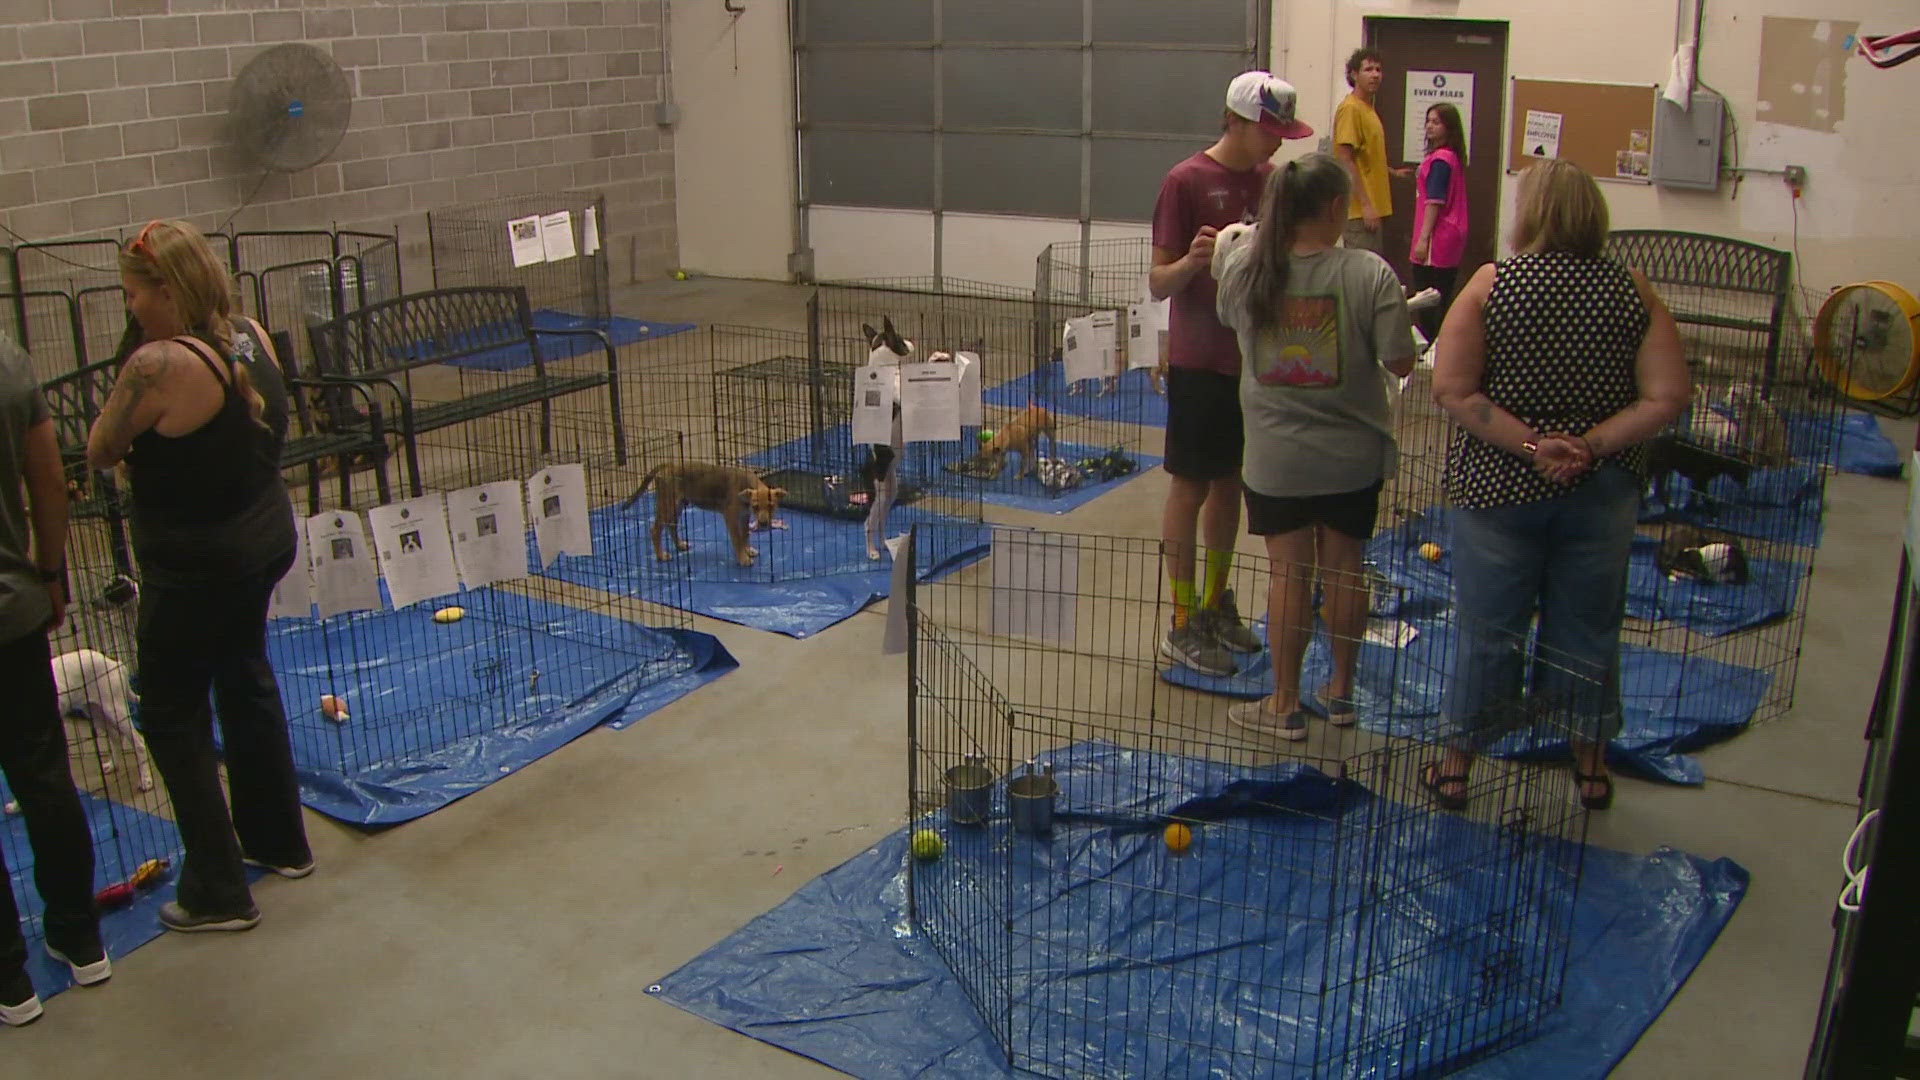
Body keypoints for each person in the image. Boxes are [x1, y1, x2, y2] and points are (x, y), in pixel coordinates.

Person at [1425, 160, 1690, 811]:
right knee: (1588, 629)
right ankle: (1592, 767)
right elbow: (1668, 394)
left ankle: (1457, 766)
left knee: (1489, 629)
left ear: (1531, 214)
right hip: (1600, 493)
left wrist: (1533, 445)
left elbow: (1453, 389)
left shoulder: (1491, 286)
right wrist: (1590, 445)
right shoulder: (1633, 291)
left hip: (1497, 493)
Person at [87, 219, 313, 933]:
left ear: (164, 289)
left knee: (169, 709)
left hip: (198, 563)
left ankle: (217, 888)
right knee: (244, 673)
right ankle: (280, 842)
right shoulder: (250, 332)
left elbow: (100, 447)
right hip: (264, 539)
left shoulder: (158, 365)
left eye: (132, 294)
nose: (129, 308)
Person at [1211, 154, 1416, 740]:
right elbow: (1401, 360)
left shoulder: (1248, 272)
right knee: (1346, 571)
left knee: (1288, 574)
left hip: (1278, 459)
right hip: (1353, 457)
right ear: (1334, 209)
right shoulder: (1369, 273)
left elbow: (1231, 317)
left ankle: (1283, 704)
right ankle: (1342, 693)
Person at [1150, 70, 1314, 678]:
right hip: (1201, 362)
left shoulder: (1276, 184)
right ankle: (1182, 618)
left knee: (1230, 486)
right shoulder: (1186, 181)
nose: (1279, 144)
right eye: (1271, 132)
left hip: (1257, 363)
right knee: (1190, 487)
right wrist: (1193, 262)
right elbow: (1156, 280)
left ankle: (1218, 602)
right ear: (1237, 122)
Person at [0, 341, 110, 1026]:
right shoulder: (9, 361)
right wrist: (48, 571)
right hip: (13, 608)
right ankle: (79, 935)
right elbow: (48, 477)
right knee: (44, 774)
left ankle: (9, 981)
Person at [1332, 48, 1413, 255]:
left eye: (1378, 70)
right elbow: (1345, 159)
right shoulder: (1351, 109)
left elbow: (1364, 157)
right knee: (1363, 275)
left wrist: (1392, 172)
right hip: (1359, 212)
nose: (1375, 74)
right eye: (1368, 69)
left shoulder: (1367, 108)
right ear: (1354, 75)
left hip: (1373, 208)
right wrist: (1366, 206)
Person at [1409, 102, 1469, 342]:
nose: (1429, 126)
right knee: (1443, 296)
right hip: (1450, 238)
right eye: (1428, 121)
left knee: (1429, 301)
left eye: (1437, 122)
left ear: (1449, 127)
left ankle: (1430, 347)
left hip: (1437, 240)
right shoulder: (1450, 157)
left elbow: (1434, 200)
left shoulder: (1441, 160)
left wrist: (1423, 240)